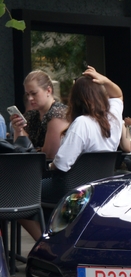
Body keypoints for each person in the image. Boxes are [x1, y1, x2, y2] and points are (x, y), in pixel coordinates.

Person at [20, 66, 124, 240]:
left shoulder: (82, 123)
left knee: (20, 193)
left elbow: (61, 165)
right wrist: (102, 79)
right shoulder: (112, 118)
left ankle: (44, 244)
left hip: (73, 188)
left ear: (75, 99)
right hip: (101, 186)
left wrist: (51, 165)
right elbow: (118, 94)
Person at [10, 70, 69, 159]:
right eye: (27, 94)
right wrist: (18, 130)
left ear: (48, 90)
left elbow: (49, 155)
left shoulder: (58, 113)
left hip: (53, 169)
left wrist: (31, 150)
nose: (30, 98)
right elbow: (20, 149)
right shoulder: (32, 115)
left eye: (34, 93)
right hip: (33, 167)